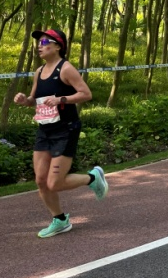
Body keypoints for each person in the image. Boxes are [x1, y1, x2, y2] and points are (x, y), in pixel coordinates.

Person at [13, 28, 108, 238]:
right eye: (38, 41)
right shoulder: (38, 71)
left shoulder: (66, 69)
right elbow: (34, 100)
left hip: (66, 130)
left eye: (45, 41)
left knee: (54, 182)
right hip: (45, 130)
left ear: (58, 46)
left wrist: (61, 99)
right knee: (40, 180)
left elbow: (86, 94)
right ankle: (60, 220)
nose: (40, 45)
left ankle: (93, 178)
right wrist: (24, 101)